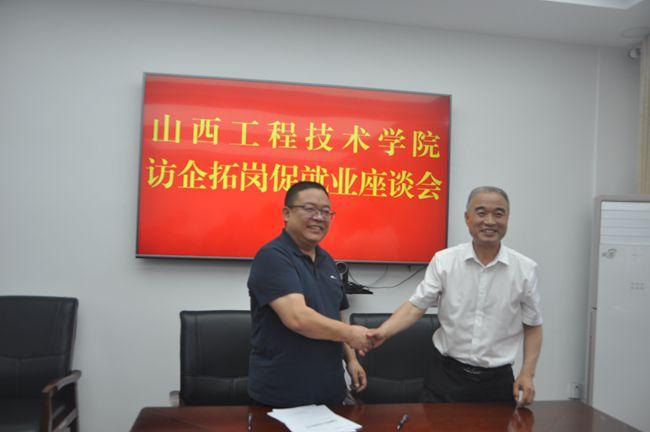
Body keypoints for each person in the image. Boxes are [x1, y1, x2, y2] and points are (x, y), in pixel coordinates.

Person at [366, 186, 543, 405]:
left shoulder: (525, 269)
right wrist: (383, 332)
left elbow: (533, 325)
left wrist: (527, 373)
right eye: (481, 213)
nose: (490, 221)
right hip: (446, 378)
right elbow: (416, 306)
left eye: (499, 214)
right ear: (467, 218)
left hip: (497, 382)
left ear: (507, 219)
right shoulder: (445, 261)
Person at [247, 181, 371, 407]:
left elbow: (336, 313)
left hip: (330, 390)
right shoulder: (272, 257)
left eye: (326, 211)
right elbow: (297, 318)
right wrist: (351, 333)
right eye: (310, 209)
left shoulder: (327, 260)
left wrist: (351, 360)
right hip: (282, 393)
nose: (319, 217)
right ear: (287, 213)